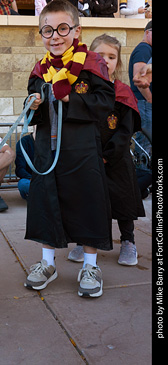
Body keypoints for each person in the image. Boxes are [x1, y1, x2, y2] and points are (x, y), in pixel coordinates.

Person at [23, 0, 115, 297]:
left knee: (87, 201)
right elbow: (32, 112)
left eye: (63, 28)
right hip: (47, 151)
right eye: (47, 30)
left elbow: (104, 104)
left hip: (82, 149)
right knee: (47, 200)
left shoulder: (92, 64)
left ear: (77, 30)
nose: (55, 36)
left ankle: (90, 265)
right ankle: (47, 263)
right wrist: (33, 104)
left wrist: (68, 99)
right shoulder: (40, 70)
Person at [69, 34, 145, 266]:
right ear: (89, 57)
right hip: (87, 157)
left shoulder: (122, 91)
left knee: (122, 201)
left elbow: (125, 130)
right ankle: (85, 240)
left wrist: (107, 155)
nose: (105, 60)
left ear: (118, 63)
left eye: (111, 57)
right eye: (100, 55)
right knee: (87, 201)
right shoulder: (81, 90)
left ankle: (128, 241)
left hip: (116, 158)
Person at [128, 20, 152, 170]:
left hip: (144, 102)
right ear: (148, 32)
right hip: (143, 102)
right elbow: (140, 79)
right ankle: (142, 180)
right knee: (145, 144)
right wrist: (150, 99)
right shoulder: (144, 49)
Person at [15, 128, 35, 200]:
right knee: (23, 184)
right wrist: (31, 178)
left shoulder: (53, 142)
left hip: (49, 181)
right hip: (30, 180)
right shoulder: (24, 142)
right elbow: (19, 169)